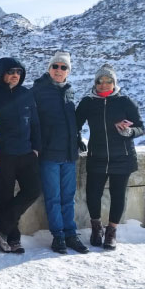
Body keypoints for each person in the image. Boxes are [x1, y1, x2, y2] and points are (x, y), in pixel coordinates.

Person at [76, 64, 145, 250]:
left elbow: (141, 127)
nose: (104, 84)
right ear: (95, 83)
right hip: (97, 156)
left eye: (108, 81)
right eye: (100, 81)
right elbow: (75, 124)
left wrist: (130, 132)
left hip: (122, 157)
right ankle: (96, 227)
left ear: (114, 83)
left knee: (118, 195)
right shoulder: (88, 102)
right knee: (93, 193)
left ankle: (112, 231)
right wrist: (76, 139)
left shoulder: (125, 102)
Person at [0, 57, 41, 254]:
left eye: (18, 72)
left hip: (26, 153)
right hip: (3, 154)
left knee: (33, 190)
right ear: (2, 73)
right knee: (5, 196)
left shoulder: (26, 94)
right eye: (11, 71)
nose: (15, 75)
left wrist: (36, 148)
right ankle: (12, 237)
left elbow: (35, 123)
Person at [32, 52, 89, 254]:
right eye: (55, 66)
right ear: (49, 69)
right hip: (48, 154)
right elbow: (33, 121)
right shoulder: (38, 90)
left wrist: (77, 137)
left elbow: (70, 119)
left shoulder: (69, 91)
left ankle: (71, 234)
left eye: (63, 67)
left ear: (68, 72)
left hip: (68, 153)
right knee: (53, 197)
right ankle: (58, 236)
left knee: (68, 197)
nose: (59, 70)